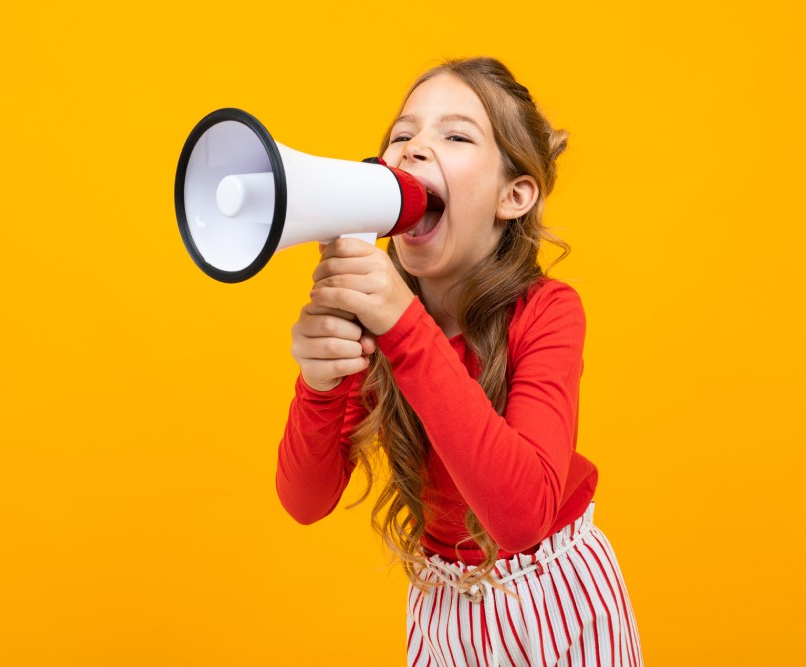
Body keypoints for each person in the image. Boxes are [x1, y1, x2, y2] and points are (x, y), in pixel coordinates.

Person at [276, 57, 643, 667]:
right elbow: (304, 500)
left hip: (554, 603)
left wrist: (403, 326)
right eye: (402, 134)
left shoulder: (548, 312)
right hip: (443, 608)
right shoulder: (376, 322)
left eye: (455, 135)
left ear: (514, 195)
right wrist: (319, 385)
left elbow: (521, 516)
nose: (416, 148)